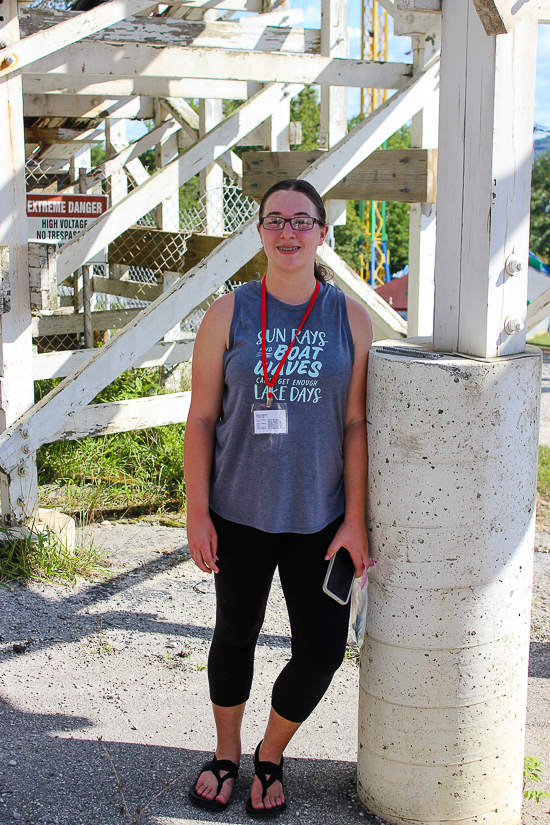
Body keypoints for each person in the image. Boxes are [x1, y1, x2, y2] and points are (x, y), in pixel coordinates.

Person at [184, 178, 372, 818]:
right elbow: (202, 418)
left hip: (318, 519)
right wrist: (197, 511)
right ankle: (228, 753)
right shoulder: (229, 311)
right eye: (275, 220)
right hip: (238, 512)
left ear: (322, 233)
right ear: (260, 232)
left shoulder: (348, 317)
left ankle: (271, 750)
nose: (288, 231)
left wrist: (354, 520)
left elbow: (354, 424)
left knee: (321, 650)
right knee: (234, 633)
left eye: (302, 220)